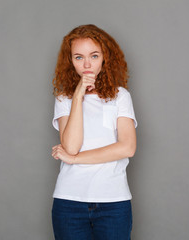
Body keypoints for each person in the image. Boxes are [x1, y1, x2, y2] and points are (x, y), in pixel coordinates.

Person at [51, 24, 137, 240]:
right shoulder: (64, 98)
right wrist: (78, 96)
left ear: (105, 57)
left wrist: (73, 159)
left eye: (94, 56)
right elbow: (71, 145)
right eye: (79, 57)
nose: (87, 64)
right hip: (69, 202)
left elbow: (127, 147)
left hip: (113, 202)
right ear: (70, 61)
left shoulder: (120, 96)